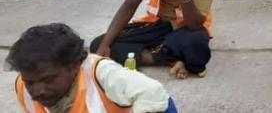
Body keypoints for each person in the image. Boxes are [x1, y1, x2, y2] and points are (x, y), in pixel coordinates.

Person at [8, 23, 178, 113]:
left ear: (74, 65)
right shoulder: (23, 85)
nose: (37, 91)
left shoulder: (101, 73)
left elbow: (153, 93)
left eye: (49, 79)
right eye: (30, 83)